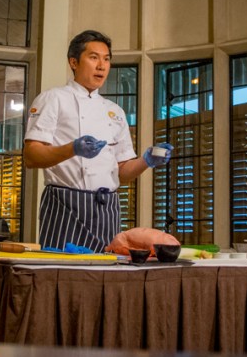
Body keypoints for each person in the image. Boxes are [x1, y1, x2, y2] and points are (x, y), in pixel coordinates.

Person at [23, 30, 173, 252]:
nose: (102, 66)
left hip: (107, 207)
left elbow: (122, 173)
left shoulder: (115, 111)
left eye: (106, 59)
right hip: (65, 204)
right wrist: (74, 149)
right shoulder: (53, 98)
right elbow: (31, 156)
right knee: (62, 269)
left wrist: (146, 161)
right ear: (74, 62)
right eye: (93, 57)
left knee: (107, 267)